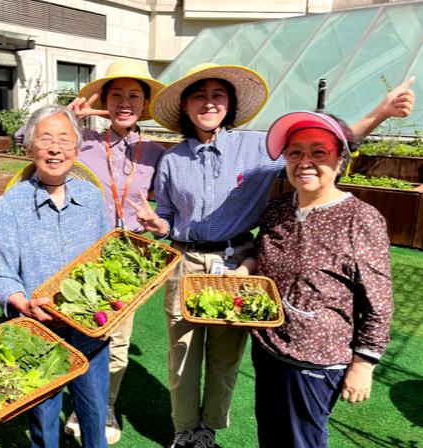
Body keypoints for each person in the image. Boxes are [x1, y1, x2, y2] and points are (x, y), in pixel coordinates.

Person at [127, 63, 415, 448]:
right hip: (187, 263)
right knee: (182, 356)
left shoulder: (255, 149)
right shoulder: (172, 159)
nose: (208, 103)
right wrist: (159, 227)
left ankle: (207, 429)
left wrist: (380, 113)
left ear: (229, 105)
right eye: (198, 95)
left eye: (218, 95)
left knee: (226, 359)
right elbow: (165, 216)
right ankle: (184, 429)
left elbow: (321, 151)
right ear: (185, 107)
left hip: (238, 261)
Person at [252, 111, 394, 447]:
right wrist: (245, 267)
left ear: (340, 159)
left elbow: (379, 301)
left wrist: (364, 363)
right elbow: (261, 260)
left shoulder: (360, 218)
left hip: (316, 358)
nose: (305, 162)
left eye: (319, 152)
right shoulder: (278, 209)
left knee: (303, 440)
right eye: (295, 152)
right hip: (267, 347)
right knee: (270, 434)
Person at [44, 60, 166, 444]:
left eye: (134, 96)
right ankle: (76, 399)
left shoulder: (157, 152)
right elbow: (23, 138)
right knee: (74, 330)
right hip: (80, 251)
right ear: (104, 101)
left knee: (118, 340)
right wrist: (69, 114)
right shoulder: (83, 140)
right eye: (116, 96)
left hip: (128, 257)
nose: (124, 103)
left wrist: (160, 227)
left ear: (145, 103)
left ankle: (101, 407)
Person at [0, 105, 111, 448]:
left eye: (64, 139)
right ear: (29, 147)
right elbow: (3, 273)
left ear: (76, 147)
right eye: (45, 139)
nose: (55, 148)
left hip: (90, 331)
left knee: (94, 412)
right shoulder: (13, 202)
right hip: (37, 332)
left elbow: (106, 258)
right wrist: (21, 302)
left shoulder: (90, 195)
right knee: (43, 417)